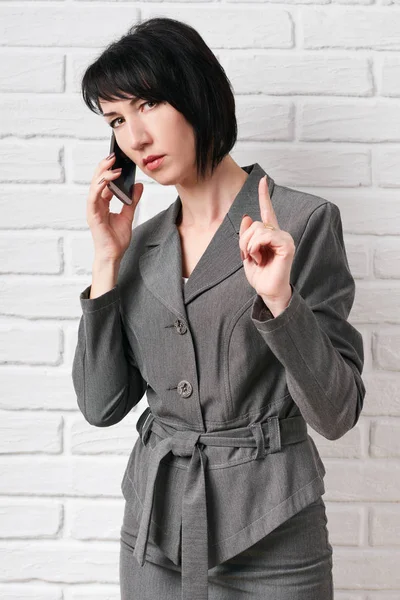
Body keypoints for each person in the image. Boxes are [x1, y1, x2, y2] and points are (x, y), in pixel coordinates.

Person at [72, 16, 366, 600]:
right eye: (116, 120)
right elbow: (102, 406)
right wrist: (107, 262)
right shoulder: (138, 246)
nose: (135, 137)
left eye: (148, 104)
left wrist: (279, 300)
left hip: (275, 534)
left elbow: (336, 413)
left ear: (196, 94)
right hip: (155, 536)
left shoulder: (303, 222)